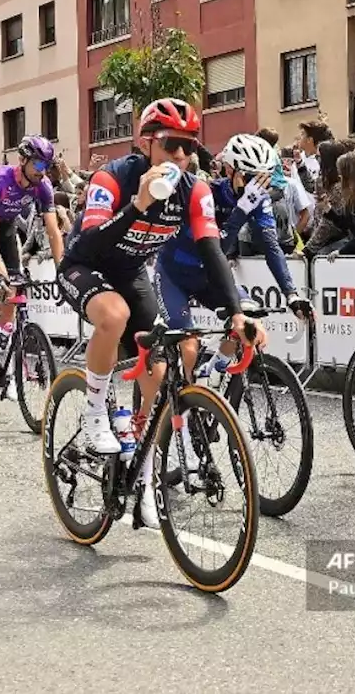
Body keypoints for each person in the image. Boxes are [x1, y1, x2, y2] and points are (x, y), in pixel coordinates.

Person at [58, 98, 266, 528]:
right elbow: (86, 247)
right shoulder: (112, 177)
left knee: (166, 360)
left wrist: (235, 313)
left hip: (132, 272)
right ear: (146, 142)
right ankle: (95, 409)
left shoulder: (195, 189)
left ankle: (144, 470)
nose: (181, 156)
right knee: (112, 315)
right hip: (85, 267)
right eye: (171, 145)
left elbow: (213, 252)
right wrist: (136, 205)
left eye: (189, 147)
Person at [158, 134, 309, 377]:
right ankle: (185, 404)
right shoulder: (206, 192)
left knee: (249, 323)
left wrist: (291, 294)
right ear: (229, 170)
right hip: (174, 275)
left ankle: (214, 373)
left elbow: (272, 248)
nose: (256, 185)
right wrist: (240, 211)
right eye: (251, 177)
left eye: (263, 178)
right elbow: (213, 248)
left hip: (210, 277)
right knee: (188, 348)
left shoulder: (256, 200)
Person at [0, 135, 66, 367]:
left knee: (17, 282)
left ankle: (3, 339)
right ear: (22, 160)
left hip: (7, 225)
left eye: (47, 166)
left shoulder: (43, 186)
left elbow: (53, 230)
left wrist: (62, 270)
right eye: (39, 164)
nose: (43, 171)